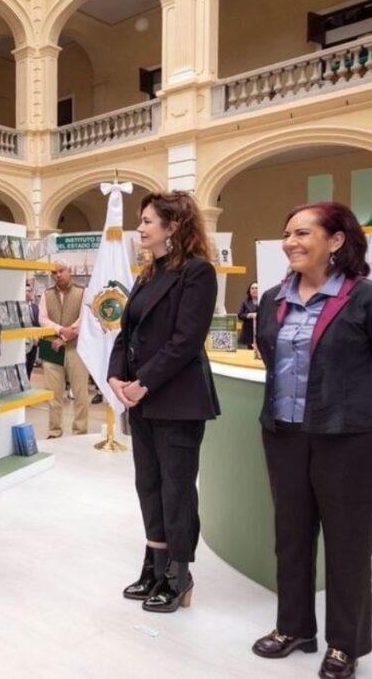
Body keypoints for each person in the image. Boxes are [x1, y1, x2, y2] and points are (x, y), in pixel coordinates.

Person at [251, 202, 372, 679]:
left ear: (336, 240)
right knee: (291, 536)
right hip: (284, 433)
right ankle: (294, 627)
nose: (290, 242)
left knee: (347, 542)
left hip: (347, 438)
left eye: (302, 233)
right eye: (287, 233)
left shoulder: (363, 299)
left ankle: (345, 644)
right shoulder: (272, 299)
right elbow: (271, 359)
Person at [108, 191, 219, 614]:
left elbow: (185, 342)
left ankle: (178, 573)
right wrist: (116, 376)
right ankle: (154, 563)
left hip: (177, 400)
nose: (140, 228)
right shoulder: (147, 273)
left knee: (177, 489)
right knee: (148, 484)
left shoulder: (198, 272)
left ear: (173, 227)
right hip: (142, 400)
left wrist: (143, 383)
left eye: (147, 221)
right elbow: (127, 332)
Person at [39, 261, 89, 439]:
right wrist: (60, 330)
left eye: (61, 271)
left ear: (70, 270)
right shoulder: (46, 294)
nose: (58, 275)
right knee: (53, 395)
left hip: (77, 349)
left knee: (80, 394)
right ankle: (54, 432)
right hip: (51, 348)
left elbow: (83, 319)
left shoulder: (83, 292)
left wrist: (65, 338)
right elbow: (42, 319)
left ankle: (80, 433)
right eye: (54, 272)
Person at [24, 280, 41, 377]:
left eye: (31, 290)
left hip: (34, 343)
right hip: (24, 343)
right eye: (28, 291)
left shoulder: (35, 308)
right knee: (24, 368)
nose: (31, 293)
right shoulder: (20, 307)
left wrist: (37, 336)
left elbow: (39, 324)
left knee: (30, 367)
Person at [238, 282, 260, 348]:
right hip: (249, 332)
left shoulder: (263, 301)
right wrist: (248, 315)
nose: (254, 290)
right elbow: (240, 315)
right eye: (252, 288)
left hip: (260, 331)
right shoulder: (245, 302)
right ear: (249, 291)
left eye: (256, 288)